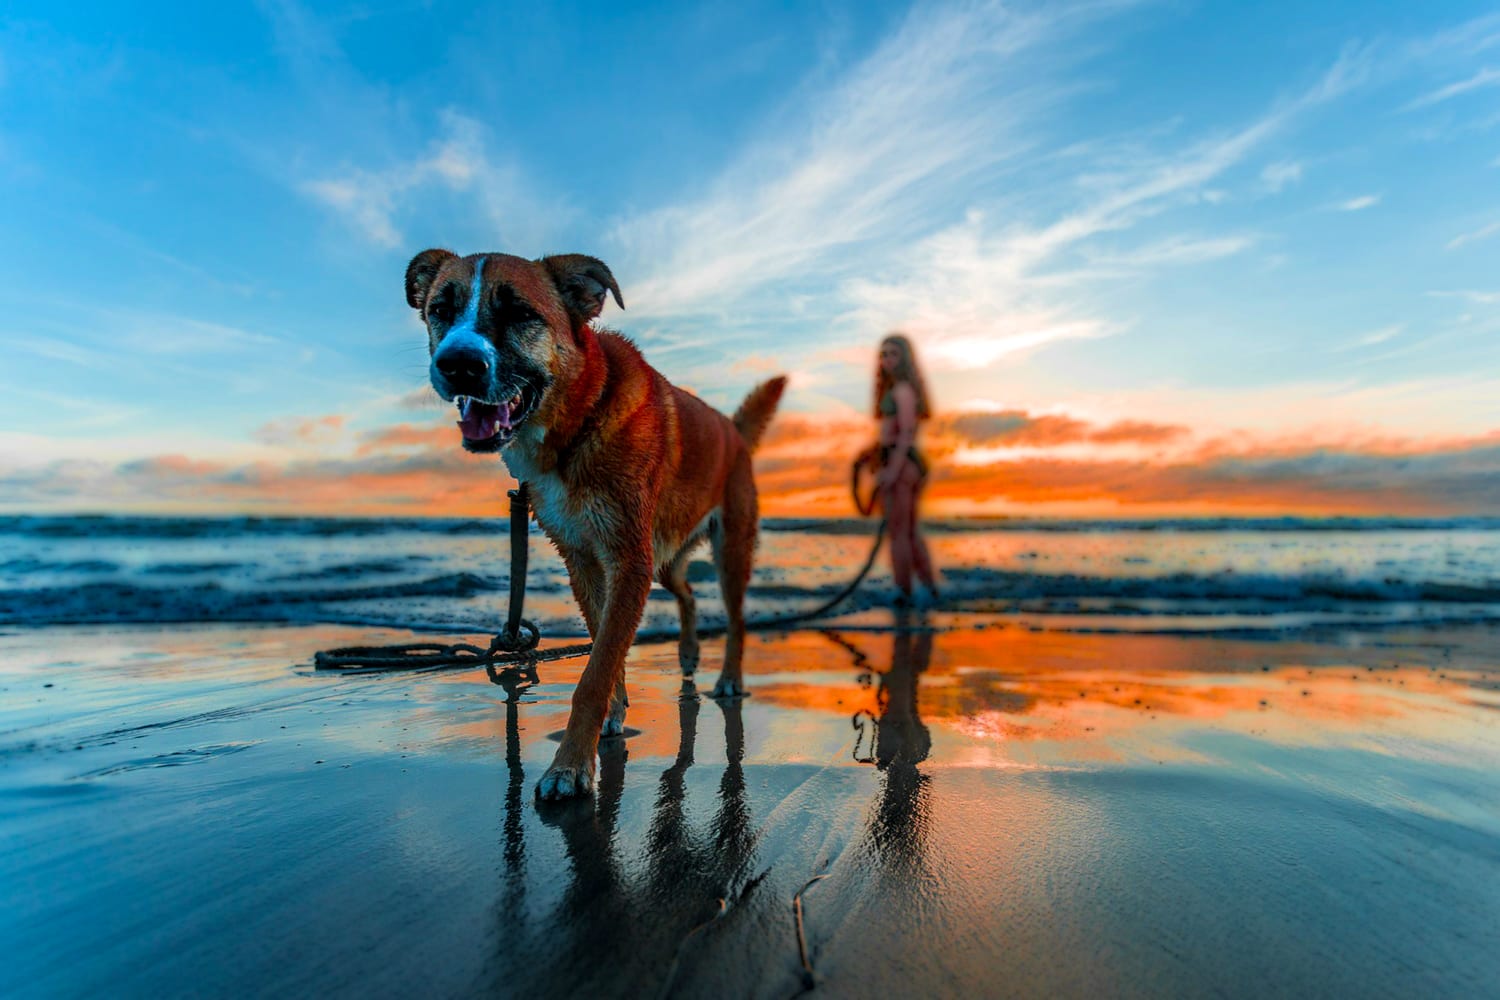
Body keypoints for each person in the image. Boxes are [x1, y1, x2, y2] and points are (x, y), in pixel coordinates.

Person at [872, 334, 939, 606]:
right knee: (909, 531)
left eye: (894, 354)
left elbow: (907, 433)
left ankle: (904, 592)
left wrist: (892, 471)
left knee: (899, 531)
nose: (887, 359)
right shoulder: (899, 389)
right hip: (902, 461)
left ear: (905, 358)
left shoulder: (902, 390)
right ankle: (929, 591)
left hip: (902, 463)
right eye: (884, 354)